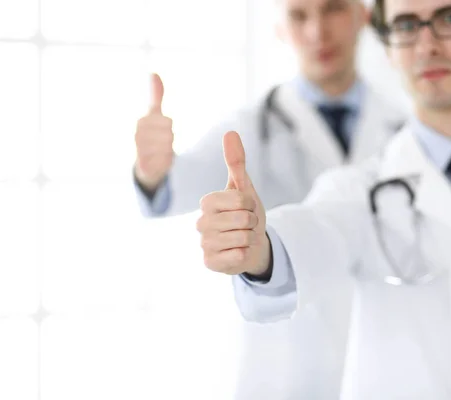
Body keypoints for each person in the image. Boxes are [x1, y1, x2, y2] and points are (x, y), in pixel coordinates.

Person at [197, 0, 451, 398]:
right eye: (407, 25)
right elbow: (320, 230)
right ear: (387, 45)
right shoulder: (358, 193)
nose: (427, 45)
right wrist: (262, 251)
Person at [134, 0, 407, 398]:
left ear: (362, 17)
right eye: (299, 16)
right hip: (285, 364)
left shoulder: (403, 129)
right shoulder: (248, 126)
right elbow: (180, 183)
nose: (317, 32)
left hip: (380, 361)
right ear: (279, 29)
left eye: (332, 9)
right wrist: (153, 172)